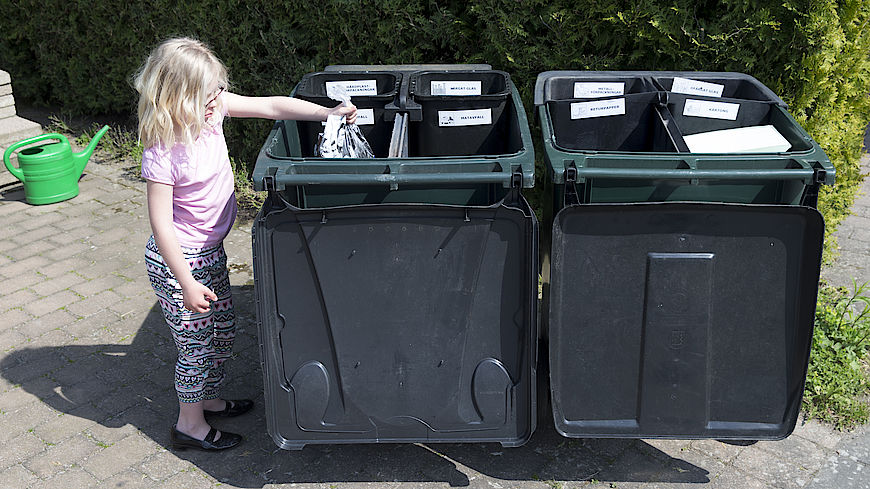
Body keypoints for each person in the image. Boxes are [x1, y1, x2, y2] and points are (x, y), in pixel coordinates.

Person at [134, 37, 356, 451]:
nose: (219, 98)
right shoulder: (164, 151)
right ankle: (189, 424)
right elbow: (161, 224)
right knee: (196, 347)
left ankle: (210, 400)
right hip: (179, 261)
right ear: (179, 97)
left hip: (209, 252)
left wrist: (327, 113)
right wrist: (184, 281)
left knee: (221, 333)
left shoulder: (212, 113)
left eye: (220, 89)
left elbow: (272, 106)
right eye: (210, 93)